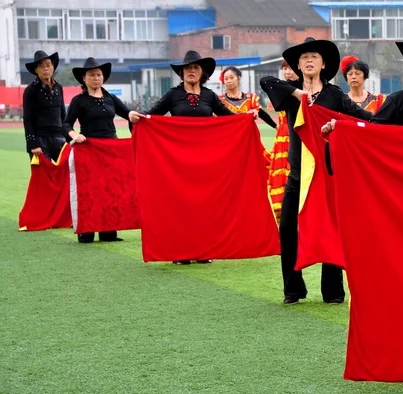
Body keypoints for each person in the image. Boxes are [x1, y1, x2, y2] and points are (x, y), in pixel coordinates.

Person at [261, 37, 373, 305]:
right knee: (287, 229)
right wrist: (298, 94)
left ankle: (332, 291)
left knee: (331, 230)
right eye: (304, 58)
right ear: (298, 65)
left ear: (323, 64)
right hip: (297, 176)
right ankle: (293, 289)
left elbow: (363, 119)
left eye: (314, 57)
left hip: (329, 175)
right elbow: (266, 81)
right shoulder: (290, 94)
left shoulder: (335, 95)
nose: (309, 61)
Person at [145, 50, 255, 265]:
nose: (191, 71)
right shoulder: (173, 95)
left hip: (205, 158)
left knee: (205, 202)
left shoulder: (209, 96)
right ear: (182, 73)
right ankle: (181, 251)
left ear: (202, 72)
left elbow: (229, 118)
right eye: (188, 68)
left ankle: (204, 249)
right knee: (181, 203)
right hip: (177, 160)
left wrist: (246, 118)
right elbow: (152, 115)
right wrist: (137, 118)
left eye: (195, 68)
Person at [63, 57, 144, 244]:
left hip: (111, 150)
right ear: (84, 78)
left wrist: (133, 115)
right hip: (88, 150)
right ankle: (87, 231)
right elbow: (66, 123)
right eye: (91, 75)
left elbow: (127, 114)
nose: (96, 78)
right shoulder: (78, 101)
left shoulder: (111, 98)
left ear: (103, 77)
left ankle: (109, 232)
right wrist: (74, 135)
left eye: (99, 74)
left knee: (111, 190)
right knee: (90, 191)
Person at [23, 51, 69, 161]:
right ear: (36, 70)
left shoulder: (58, 87)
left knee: (67, 173)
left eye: (48, 65)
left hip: (59, 139)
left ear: (53, 67)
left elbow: (63, 114)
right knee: (43, 177)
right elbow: (27, 119)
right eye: (41, 66)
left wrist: (67, 137)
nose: (45, 69)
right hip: (40, 140)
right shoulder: (30, 90)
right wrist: (33, 143)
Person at [268, 60, 297, 223]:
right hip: (282, 138)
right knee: (282, 177)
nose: (287, 72)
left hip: (296, 136)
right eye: (284, 69)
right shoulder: (280, 90)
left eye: (290, 68)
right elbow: (266, 81)